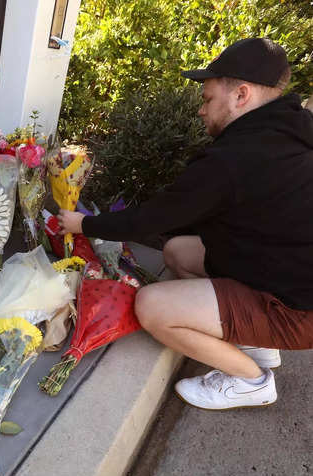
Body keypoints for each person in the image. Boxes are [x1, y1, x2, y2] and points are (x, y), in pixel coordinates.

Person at [57, 37, 313, 410]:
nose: (201, 110)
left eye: (208, 99)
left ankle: (252, 380)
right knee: (178, 251)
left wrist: (84, 224)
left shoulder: (238, 158)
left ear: (241, 95)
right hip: (284, 274)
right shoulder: (291, 130)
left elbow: (153, 218)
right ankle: (257, 341)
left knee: (152, 307)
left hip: (295, 308)